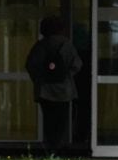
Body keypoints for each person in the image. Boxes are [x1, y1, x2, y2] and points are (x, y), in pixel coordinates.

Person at [25, 15, 82, 152]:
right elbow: (77, 64)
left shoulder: (41, 45)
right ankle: (58, 146)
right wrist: (66, 76)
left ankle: (49, 147)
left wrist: (39, 80)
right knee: (61, 120)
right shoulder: (66, 44)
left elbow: (31, 65)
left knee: (48, 120)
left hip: (45, 90)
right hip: (64, 90)